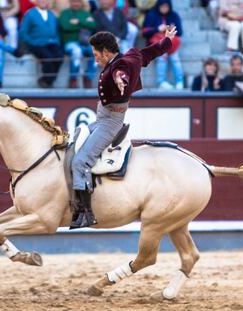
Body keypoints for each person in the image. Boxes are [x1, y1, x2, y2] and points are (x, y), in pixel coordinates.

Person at [70, 26, 177, 229]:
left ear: (106, 52)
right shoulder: (132, 55)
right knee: (72, 142)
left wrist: (122, 80)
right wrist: (166, 42)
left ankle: (85, 213)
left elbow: (122, 72)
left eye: (96, 55)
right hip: (102, 117)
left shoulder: (121, 65)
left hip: (110, 122)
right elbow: (148, 53)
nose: (95, 60)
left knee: (80, 161)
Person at [19, 0, 64, 88]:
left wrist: (57, 41)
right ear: (36, 2)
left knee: (60, 56)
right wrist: (32, 42)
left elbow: (56, 30)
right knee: (48, 57)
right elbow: (23, 32)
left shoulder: (51, 13)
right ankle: (47, 81)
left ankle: (47, 80)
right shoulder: (30, 14)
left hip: (52, 43)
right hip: (37, 44)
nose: (43, 1)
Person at [142, 0, 184, 89]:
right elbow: (145, 33)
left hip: (172, 43)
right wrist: (157, 29)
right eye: (162, 6)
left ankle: (179, 81)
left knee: (175, 58)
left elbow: (180, 32)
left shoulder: (174, 15)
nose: (164, 9)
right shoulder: (151, 15)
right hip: (158, 44)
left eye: (166, 7)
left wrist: (171, 29)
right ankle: (161, 82)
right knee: (162, 57)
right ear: (158, 6)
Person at [59, 0, 97, 88]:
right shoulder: (65, 13)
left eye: (78, 2)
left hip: (85, 42)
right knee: (77, 51)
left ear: (81, 3)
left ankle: (88, 77)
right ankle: (73, 79)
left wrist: (77, 22)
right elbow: (66, 26)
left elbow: (93, 25)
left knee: (96, 52)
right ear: (70, 2)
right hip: (70, 42)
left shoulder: (85, 13)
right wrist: (84, 22)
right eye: (74, 2)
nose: (76, 4)